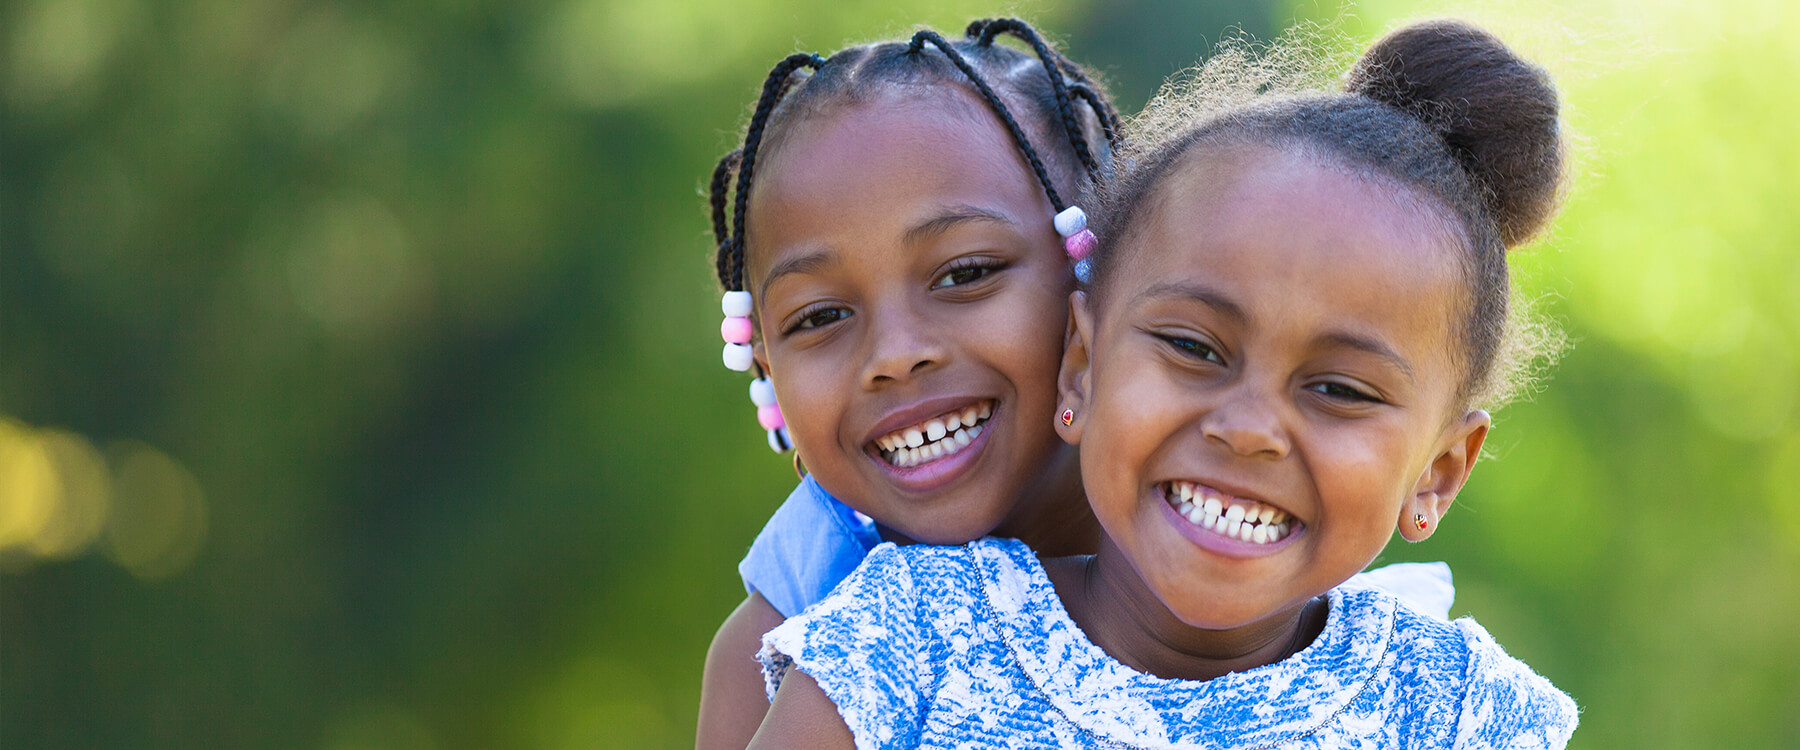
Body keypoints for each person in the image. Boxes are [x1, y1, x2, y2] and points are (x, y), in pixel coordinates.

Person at [751, 18, 1579, 749]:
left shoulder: (1456, 712)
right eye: (1193, 346)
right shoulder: (904, 646)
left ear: (1439, 470)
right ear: (1083, 361)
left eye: (1339, 391)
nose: (1249, 427)